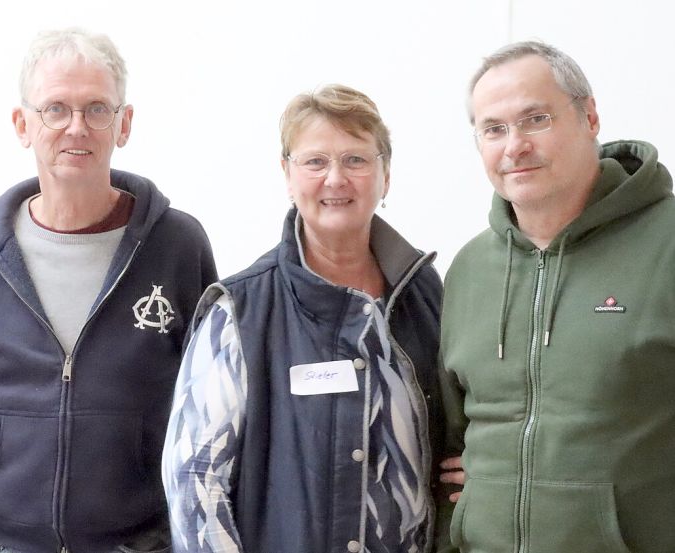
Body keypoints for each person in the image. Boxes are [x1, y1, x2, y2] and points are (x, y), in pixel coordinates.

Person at [0, 28, 217, 553]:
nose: (77, 128)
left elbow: (202, 400)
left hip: (139, 541)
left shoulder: (178, 245)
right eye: (55, 110)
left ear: (124, 123)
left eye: (96, 109)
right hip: (4, 542)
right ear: (23, 125)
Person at [162, 84, 447, 553]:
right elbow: (194, 478)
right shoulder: (240, 310)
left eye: (356, 160)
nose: (336, 178)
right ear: (288, 176)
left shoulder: (423, 292)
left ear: (385, 175)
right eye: (315, 162)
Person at [436, 40, 675, 552]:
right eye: (493, 129)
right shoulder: (469, 269)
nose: (514, 145)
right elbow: (455, 441)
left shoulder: (667, 244)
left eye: (535, 119)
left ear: (589, 117)